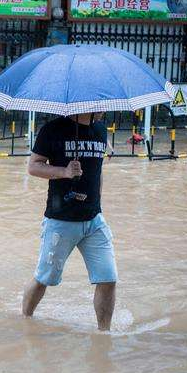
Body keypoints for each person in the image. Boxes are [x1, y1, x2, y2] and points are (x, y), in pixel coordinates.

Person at [22, 113, 117, 331]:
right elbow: (34, 166)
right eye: (99, 102)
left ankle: (104, 334)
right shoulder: (52, 129)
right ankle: (25, 320)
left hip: (94, 220)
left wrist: (98, 203)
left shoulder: (101, 130)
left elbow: (98, 171)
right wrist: (63, 171)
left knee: (108, 278)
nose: (103, 107)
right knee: (44, 279)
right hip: (60, 220)